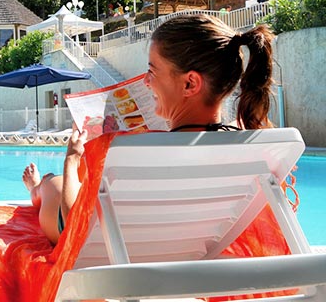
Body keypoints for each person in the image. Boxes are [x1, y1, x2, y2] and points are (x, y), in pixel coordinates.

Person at [23, 14, 275, 244]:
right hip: (198, 251)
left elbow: (73, 232)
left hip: (112, 250)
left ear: (190, 83)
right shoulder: (250, 152)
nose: (145, 81)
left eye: (152, 71)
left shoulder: (131, 155)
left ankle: (37, 187)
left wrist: (72, 157)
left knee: (52, 184)